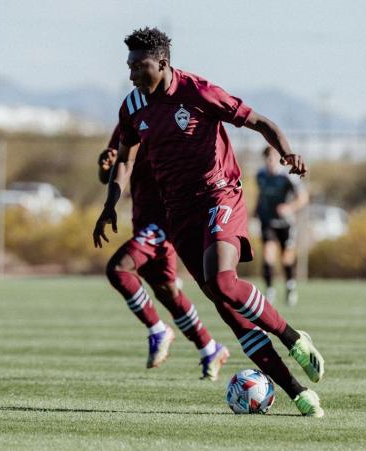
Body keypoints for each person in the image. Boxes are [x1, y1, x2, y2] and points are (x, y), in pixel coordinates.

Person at [93, 27, 325, 416]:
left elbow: (260, 122)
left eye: (139, 65)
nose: (131, 74)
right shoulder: (133, 106)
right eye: (129, 66)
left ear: (162, 63)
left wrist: (287, 153)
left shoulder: (198, 92)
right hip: (178, 213)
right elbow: (125, 158)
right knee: (224, 304)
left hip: (220, 196)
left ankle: (293, 338)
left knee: (223, 281)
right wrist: (110, 204)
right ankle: (298, 392)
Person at [98, 125, 229, 380]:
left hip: (166, 221)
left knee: (118, 268)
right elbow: (114, 174)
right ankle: (210, 348)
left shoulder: (171, 117)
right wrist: (105, 165)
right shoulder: (130, 117)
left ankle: (157, 329)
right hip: (144, 220)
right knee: (167, 291)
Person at [255, 146, 309, 306]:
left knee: (286, 258)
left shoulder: (287, 177)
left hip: (286, 223)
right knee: (267, 254)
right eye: (267, 158)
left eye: (272, 158)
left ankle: (290, 287)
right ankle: (270, 290)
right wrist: (255, 211)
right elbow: (261, 195)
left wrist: (289, 208)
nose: (270, 161)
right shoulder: (260, 175)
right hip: (267, 221)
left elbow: (303, 198)